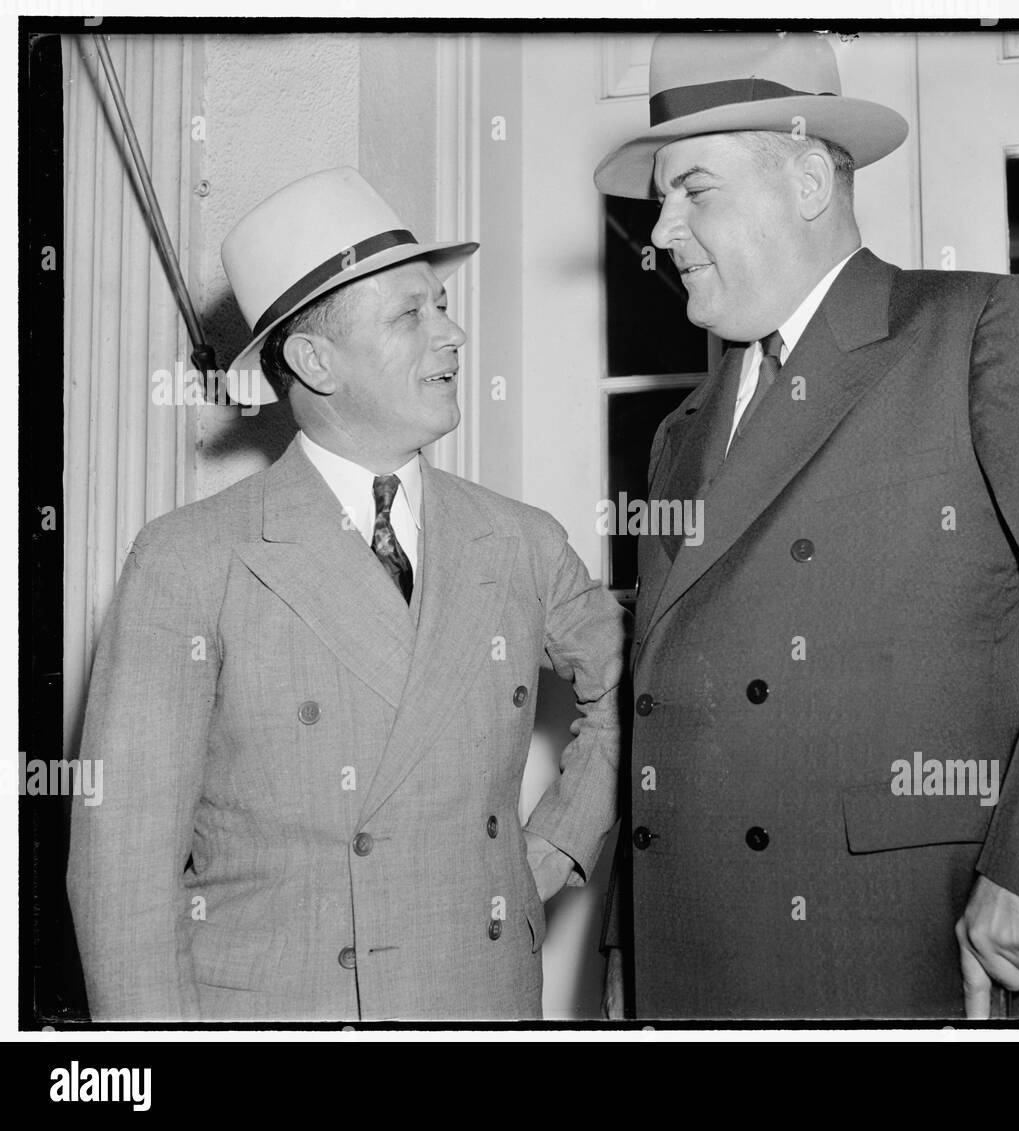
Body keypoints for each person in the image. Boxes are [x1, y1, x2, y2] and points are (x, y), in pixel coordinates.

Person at [595, 33, 1019, 1019]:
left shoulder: (976, 329)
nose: (660, 230)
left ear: (808, 178)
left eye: (693, 190)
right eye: (659, 198)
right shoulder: (681, 434)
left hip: (889, 962)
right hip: (691, 972)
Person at [68, 167, 626, 1022]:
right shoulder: (188, 561)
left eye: (441, 303)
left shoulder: (520, 540)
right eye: (412, 314)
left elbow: (640, 677)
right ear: (315, 360)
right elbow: (123, 883)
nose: (455, 334)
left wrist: (558, 840)